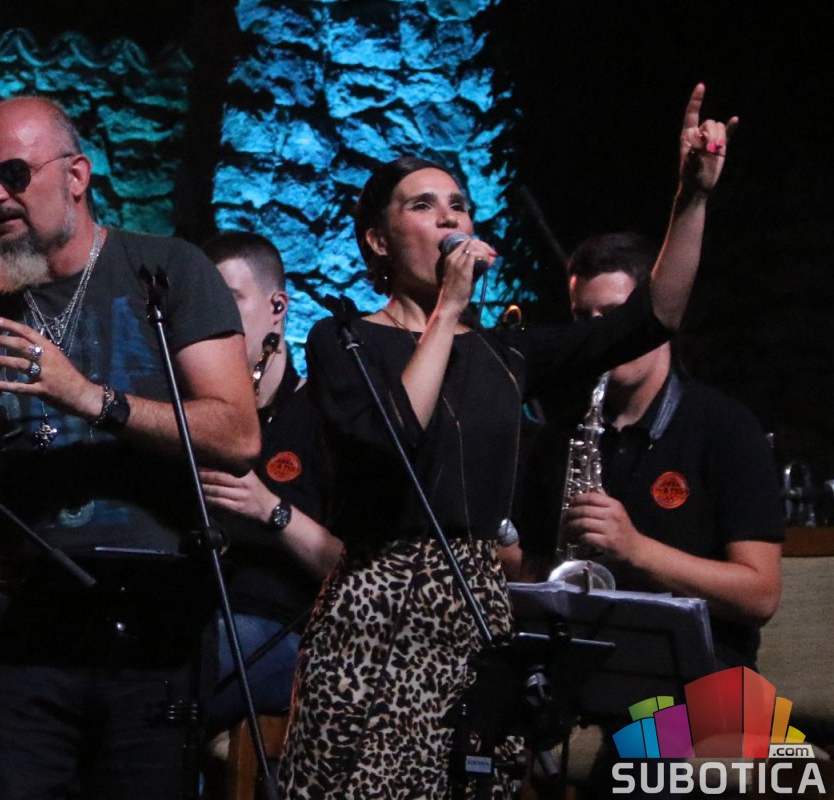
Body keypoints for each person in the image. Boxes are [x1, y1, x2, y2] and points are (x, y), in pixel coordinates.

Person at [277, 84, 735, 798]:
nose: (450, 217)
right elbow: (395, 434)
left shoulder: (506, 352)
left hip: (475, 605)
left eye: (458, 205)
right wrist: (448, 310)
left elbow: (653, 317)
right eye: (423, 206)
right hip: (375, 609)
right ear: (377, 240)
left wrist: (693, 197)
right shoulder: (344, 340)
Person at [0, 96, 258, 799]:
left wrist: (88, 397)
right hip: (23, 627)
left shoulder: (166, 271)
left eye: (12, 174)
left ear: (77, 175)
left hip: (154, 626)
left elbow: (237, 436)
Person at [520, 232, 782, 669]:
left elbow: (761, 596)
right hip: (590, 678)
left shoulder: (726, 427)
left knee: (753, 725)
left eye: (616, 316)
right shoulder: (557, 438)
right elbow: (531, 573)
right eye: (585, 318)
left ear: (653, 315)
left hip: (708, 681)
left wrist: (636, 549)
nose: (601, 334)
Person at [198, 231, 342, 734]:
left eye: (228, 302)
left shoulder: (324, 416)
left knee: (183, 666)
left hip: (287, 634)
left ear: (277, 307)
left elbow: (351, 568)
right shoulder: (194, 416)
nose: (210, 321)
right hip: (198, 618)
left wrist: (270, 509)